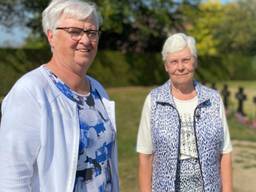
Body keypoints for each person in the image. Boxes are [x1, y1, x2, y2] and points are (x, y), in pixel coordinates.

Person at [0, 0, 119, 191]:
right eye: (75, 31)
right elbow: (12, 178)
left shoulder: (97, 90)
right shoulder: (31, 91)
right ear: (51, 36)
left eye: (92, 32)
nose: (86, 40)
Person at [136, 33, 232, 192]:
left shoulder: (213, 99)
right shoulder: (154, 100)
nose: (180, 67)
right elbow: (145, 156)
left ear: (195, 62)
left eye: (186, 60)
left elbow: (225, 152)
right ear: (166, 66)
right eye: (173, 62)